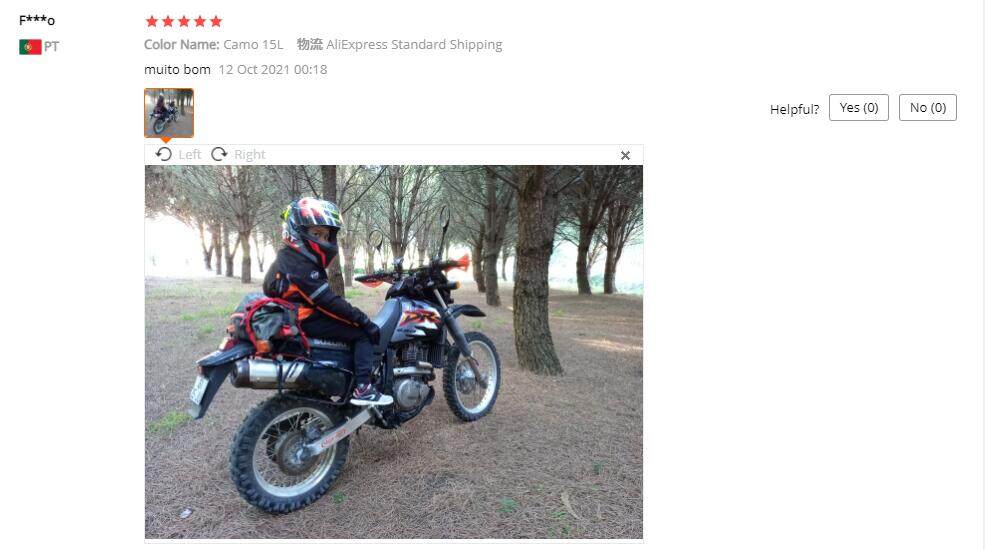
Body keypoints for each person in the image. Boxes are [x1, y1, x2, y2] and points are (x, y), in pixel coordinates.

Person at [263, 198, 393, 406]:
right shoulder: (299, 264)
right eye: (317, 233)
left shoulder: (286, 258)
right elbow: (328, 302)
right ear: (297, 231)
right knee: (362, 334)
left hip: (294, 316)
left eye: (326, 235)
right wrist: (364, 321)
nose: (323, 240)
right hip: (304, 318)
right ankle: (363, 388)